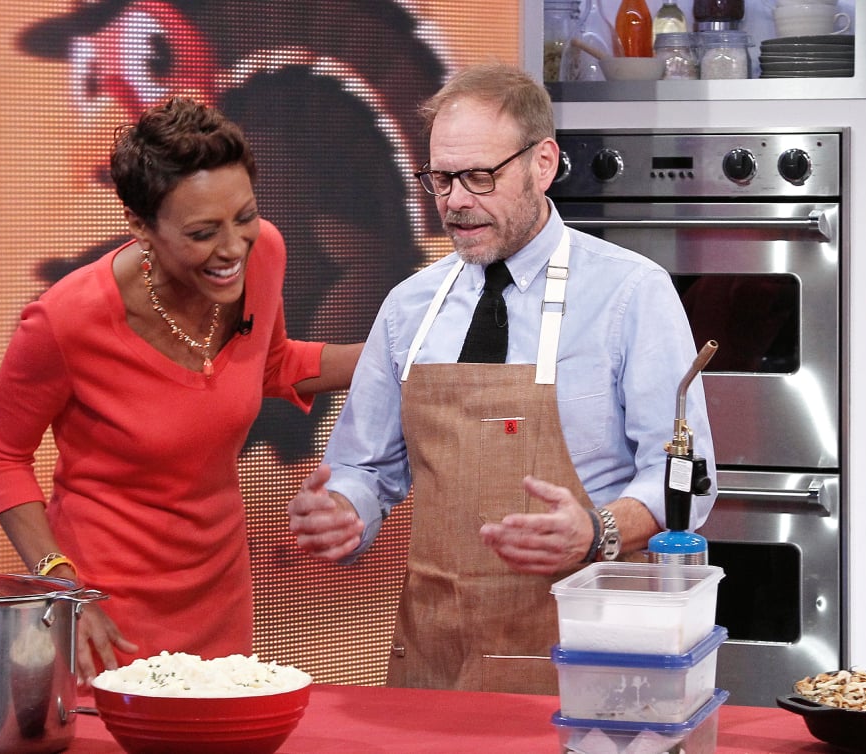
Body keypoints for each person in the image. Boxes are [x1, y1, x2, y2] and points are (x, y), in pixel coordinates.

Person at [286, 62, 717, 695]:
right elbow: (369, 468)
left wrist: (598, 529)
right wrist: (344, 510)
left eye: (480, 177)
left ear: (542, 164)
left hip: (592, 648)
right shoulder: (409, 307)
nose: (456, 201)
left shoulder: (631, 293)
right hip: (438, 653)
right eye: (440, 179)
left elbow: (686, 475)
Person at [0, 97, 362, 687]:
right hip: (105, 612)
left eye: (245, 217)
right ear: (139, 225)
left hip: (220, 596)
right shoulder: (63, 321)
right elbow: (0, 455)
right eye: (203, 233)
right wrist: (63, 584)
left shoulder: (263, 256)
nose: (233, 248)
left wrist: (396, 359)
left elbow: (273, 363)